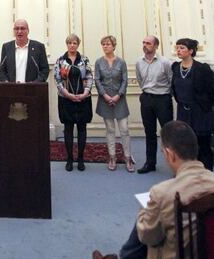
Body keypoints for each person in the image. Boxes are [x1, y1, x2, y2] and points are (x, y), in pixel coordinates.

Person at [92, 120, 214, 259]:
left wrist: (145, 210)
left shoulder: (162, 193)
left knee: (141, 233)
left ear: (169, 154)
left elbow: (147, 237)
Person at [172, 38, 214, 171]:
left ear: (191, 51)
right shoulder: (175, 67)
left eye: (182, 48)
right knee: (186, 144)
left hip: (200, 112)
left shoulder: (202, 68)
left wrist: (207, 107)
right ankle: (189, 173)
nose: (178, 50)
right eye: (177, 47)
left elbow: (211, 90)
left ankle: (206, 173)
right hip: (183, 112)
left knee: (203, 144)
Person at [94, 36, 134, 172]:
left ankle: (128, 157)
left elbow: (125, 80)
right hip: (105, 99)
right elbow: (97, 80)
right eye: (103, 44)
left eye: (108, 44)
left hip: (120, 99)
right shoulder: (98, 62)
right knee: (110, 129)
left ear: (114, 46)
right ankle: (112, 157)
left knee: (124, 129)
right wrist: (104, 95)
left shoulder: (121, 62)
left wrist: (118, 95)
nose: (105, 46)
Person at [54, 33, 93, 172]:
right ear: (67, 44)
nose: (72, 45)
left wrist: (85, 93)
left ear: (78, 44)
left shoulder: (84, 60)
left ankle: (81, 159)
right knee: (68, 129)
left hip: (83, 99)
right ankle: (69, 159)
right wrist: (68, 95)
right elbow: (58, 80)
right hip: (66, 100)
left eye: (74, 43)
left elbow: (89, 76)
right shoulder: (60, 60)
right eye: (70, 43)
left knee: (82, 129)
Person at [135, 35, 173, 174]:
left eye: (148, 43)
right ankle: (150, 163)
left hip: (163, 99)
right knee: (149, 132)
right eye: (143, 42)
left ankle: (175, 165)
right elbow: (140, 80)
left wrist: (165, 95)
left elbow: (171, 80)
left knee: (168, 133)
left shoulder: (165, 62)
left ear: (156, 46)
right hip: (146, 99)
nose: (145, 45)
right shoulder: (139, 62)